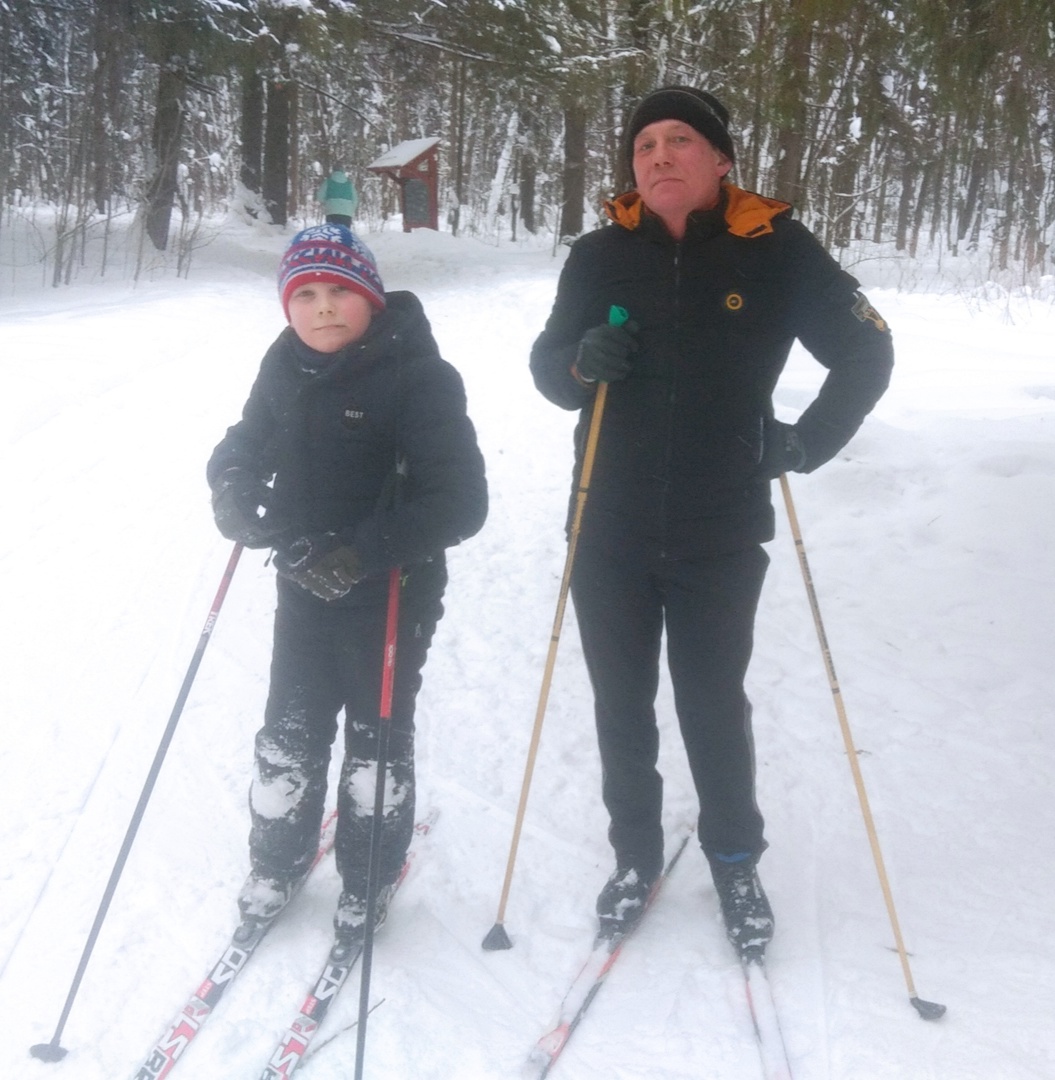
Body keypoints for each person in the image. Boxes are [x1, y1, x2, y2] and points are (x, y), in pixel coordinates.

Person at [529, 87, 893, 954]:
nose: (658, 156)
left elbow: (867, 349)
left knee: (709, 702)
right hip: (606, 523)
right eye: (644, 143)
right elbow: (546, 371)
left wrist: (806, 443)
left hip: (720, 528)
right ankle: (634, 855)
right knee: (621, 701)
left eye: (679, 140)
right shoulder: (599, 253)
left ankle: (734, 856)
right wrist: (580, 363)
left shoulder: (773, 249)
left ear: (720, 160)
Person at [208, 222, 487, 958]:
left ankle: (368, 878)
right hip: (302, 587)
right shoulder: (284, 366)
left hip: (391, 590)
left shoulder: (421, 378)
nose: (322, 308)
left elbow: (461, 502)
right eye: (304, 294)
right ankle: (278, 863)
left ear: (369, 297)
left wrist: (360, 553)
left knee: (376, 744)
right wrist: (231, 483)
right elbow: (245, 440)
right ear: (286, 306)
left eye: (339, 291)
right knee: (289, 735)